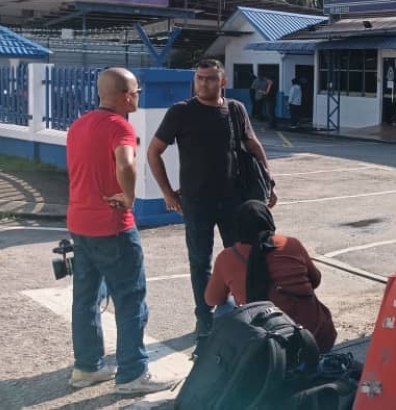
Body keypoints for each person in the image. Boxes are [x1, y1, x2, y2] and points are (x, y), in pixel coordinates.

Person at [146, 58, 277, 342]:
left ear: (223, 81)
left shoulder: (235, 109)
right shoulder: (181, 112)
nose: (204, 83)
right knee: (200, 262)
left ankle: (248, 314)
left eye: (210, 78)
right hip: (196, 201)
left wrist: (268, 182)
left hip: (234, 200)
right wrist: (168, 192)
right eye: (199, 78)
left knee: (242, 256)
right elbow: (153, 152)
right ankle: (205, 320)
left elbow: (252, 144)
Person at [65, 68, 176, 394]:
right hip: (111, 226)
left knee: (85, 299)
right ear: (126, 96)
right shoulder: (120, 126)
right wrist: (128, 197)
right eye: (136, 92)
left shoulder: (78, 125)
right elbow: (125, 163)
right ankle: (132, 374)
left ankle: (87, 367)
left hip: (79, 224)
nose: (138, 97)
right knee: (131, 300)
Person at [204, 200, 337, 351]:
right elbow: (315, 280)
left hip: (272, 353)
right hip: (318, 339)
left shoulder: (227, 257)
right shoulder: (291, 244)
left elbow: (211, 299)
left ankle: (227, 358)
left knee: (224, 307)